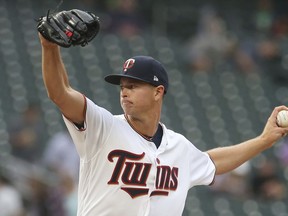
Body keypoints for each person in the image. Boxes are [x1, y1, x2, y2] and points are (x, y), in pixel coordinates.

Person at [38, 32, 288, 216]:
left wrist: (264, 140)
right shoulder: (102, 126)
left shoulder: (178, 146)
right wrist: (49, 47)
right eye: (123, 87)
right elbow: (60, 93)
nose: (124, 93)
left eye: (133, 86)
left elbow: (212, 162)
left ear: (158, 92)